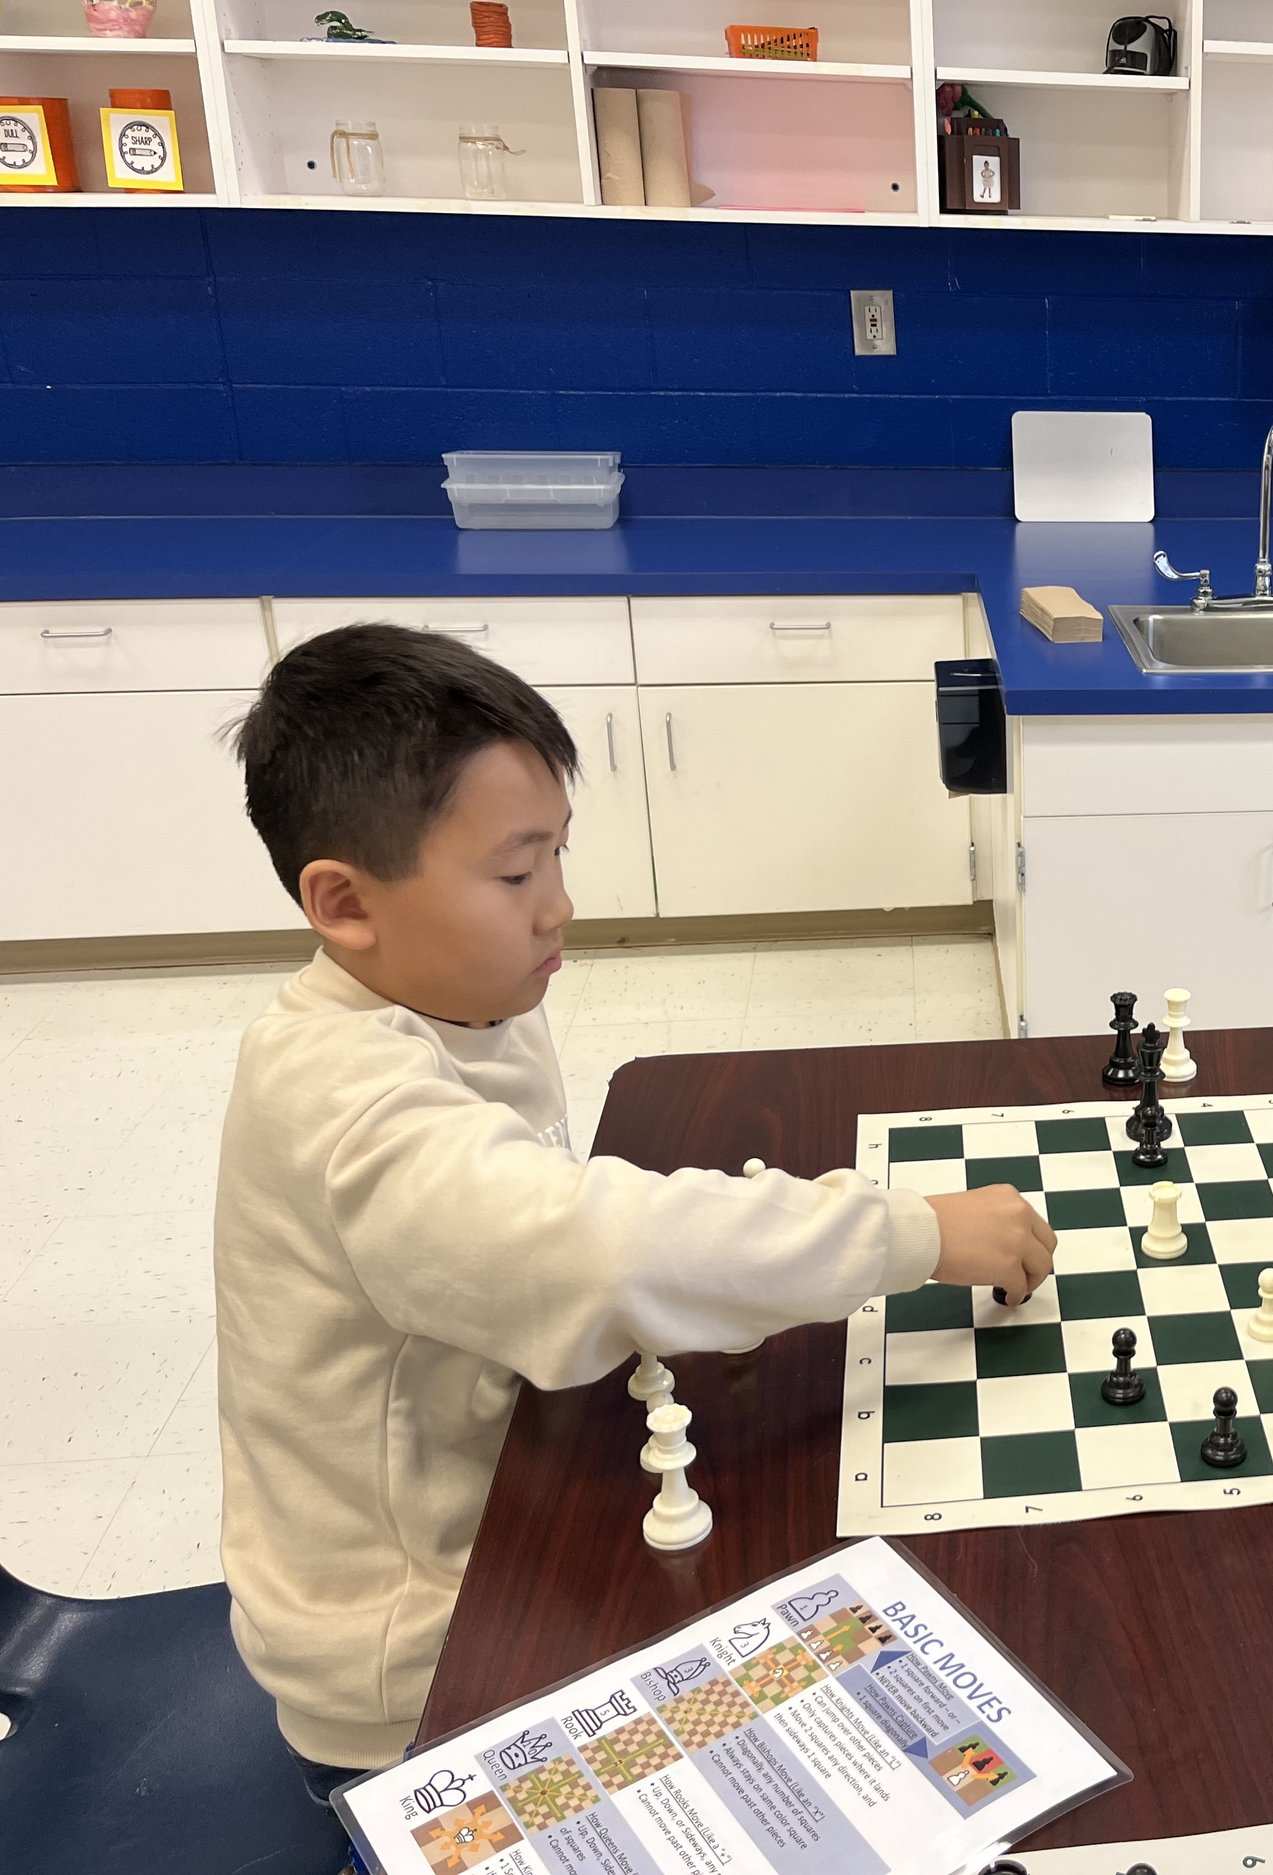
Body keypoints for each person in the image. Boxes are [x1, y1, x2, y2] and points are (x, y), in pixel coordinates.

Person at [215, 624, 1054, 1807]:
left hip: (497, 1509)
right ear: (345, 904)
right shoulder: (343, 1103)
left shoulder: (449, 994)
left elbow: (554, 1220)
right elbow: (600, 1249)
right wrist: (909, 1234)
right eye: (516, 873)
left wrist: (740, 1266)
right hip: (413, 1672)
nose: (559, 906)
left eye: (558, 853)